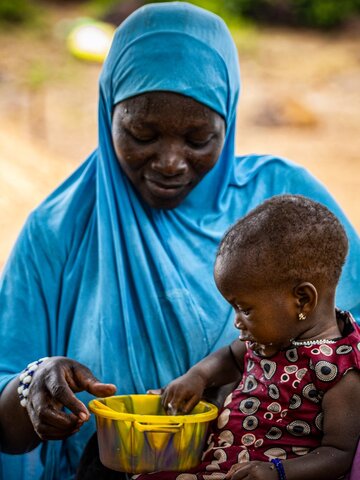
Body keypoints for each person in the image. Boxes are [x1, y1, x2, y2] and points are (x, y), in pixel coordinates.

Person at [0, 3, 359, 480]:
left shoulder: (285, 205)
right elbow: (6, 415)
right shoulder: (58, 230)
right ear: (108, 115)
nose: (170, 161)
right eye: (141, 133)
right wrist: (33, 388)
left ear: (227, 124)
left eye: (198, 138)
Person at [135, 194, 360, 480]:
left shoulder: (340, 369)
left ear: (302, 300)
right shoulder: (270, 337)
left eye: (244, 309)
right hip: (218, 465)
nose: (237, 322)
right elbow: (230, 356)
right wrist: (198, 376)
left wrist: (277, 472)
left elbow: (338, 454)